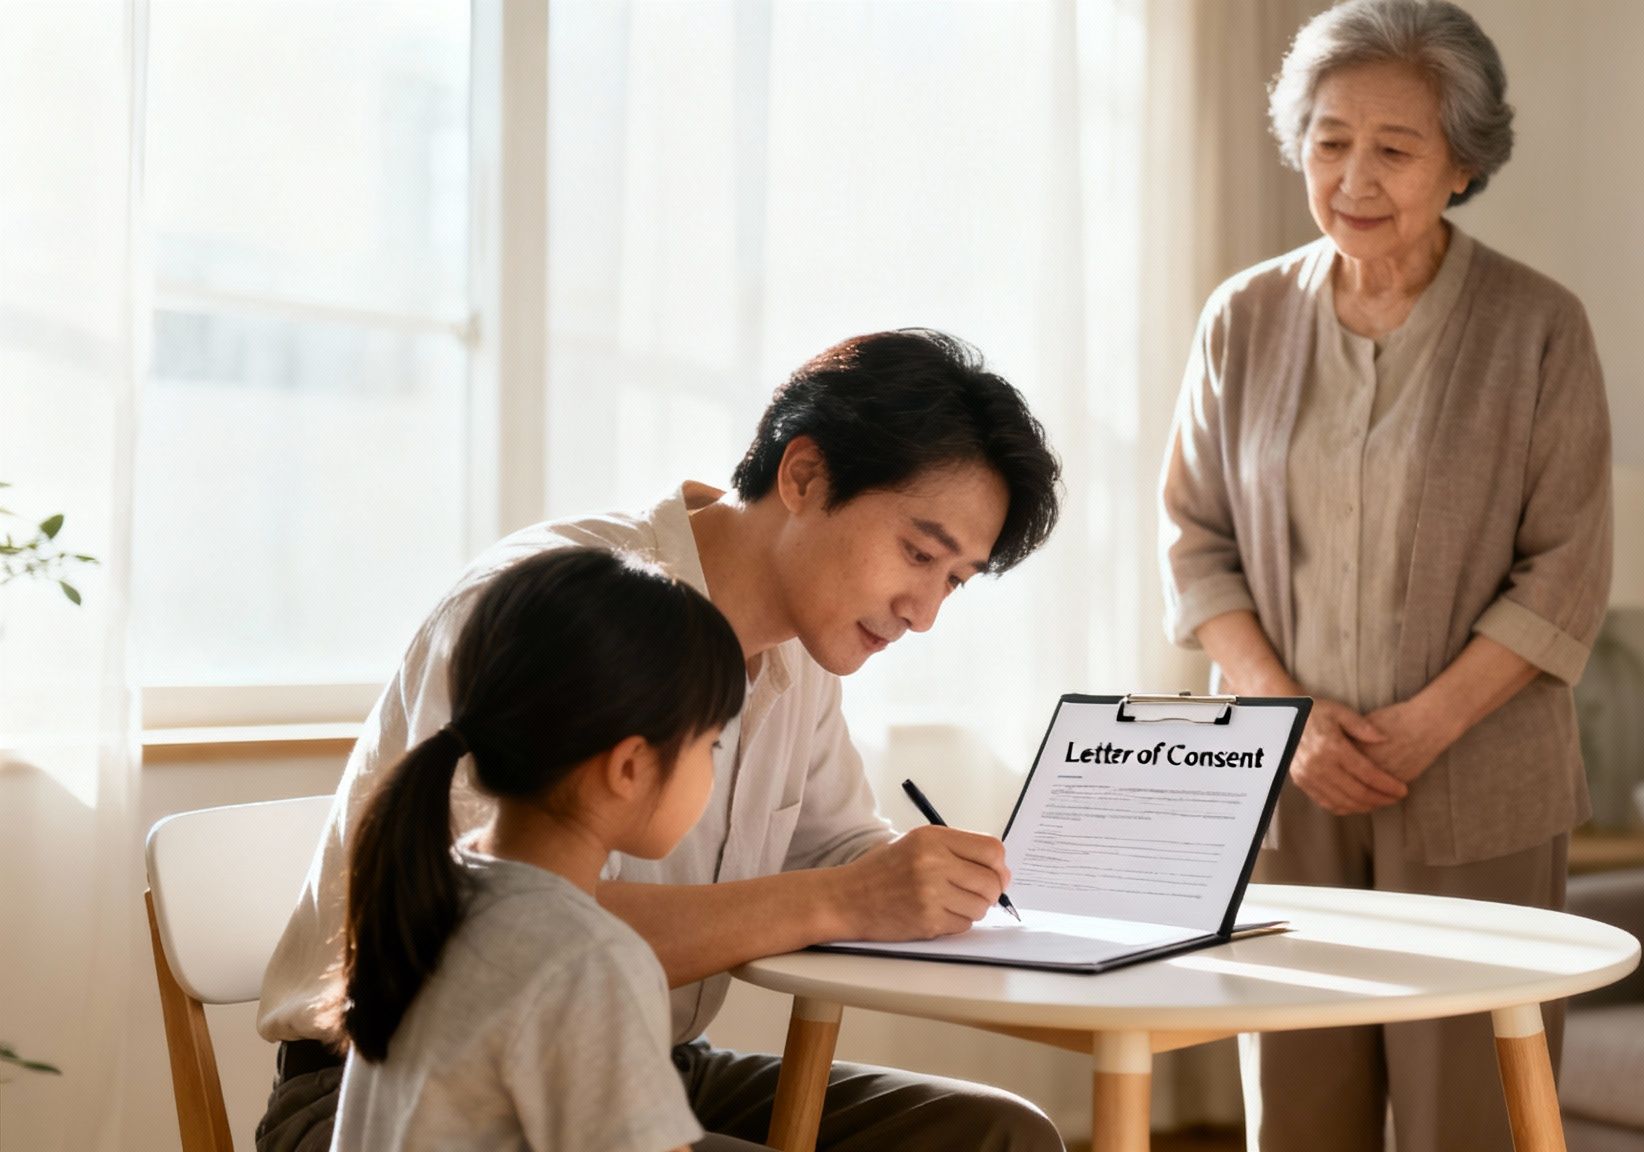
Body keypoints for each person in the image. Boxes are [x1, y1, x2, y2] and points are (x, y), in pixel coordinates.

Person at [257, 329, 1066, 1152]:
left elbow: (838, 851)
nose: (923, 612)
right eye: (918, 553)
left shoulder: (810, 646)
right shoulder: (567, 608)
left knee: (1002, 1138)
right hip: (395, 1089)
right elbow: (499, 930)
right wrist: (850, 898)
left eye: (953, 582)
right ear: (804, 475)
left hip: (642, 1057)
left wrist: (930, 881)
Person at [1157, 2, 1612, 1149]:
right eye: (1327, 140)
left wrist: (1419, 728)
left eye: (1393, 148)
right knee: (1298, 1111)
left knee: (1472, 1114)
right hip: (1280, 775)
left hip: (1479, 776)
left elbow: (1564, 568)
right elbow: (1192, 537)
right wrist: (1282, 714)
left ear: (1461, 163)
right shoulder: (1240, 319)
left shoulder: (1538, 328)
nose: (1352, 175)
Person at [331, 547, 745, 1151]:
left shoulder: (436, 889)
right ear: (629, 767)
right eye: (710, 744)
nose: (713, 765)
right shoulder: (588, 962)